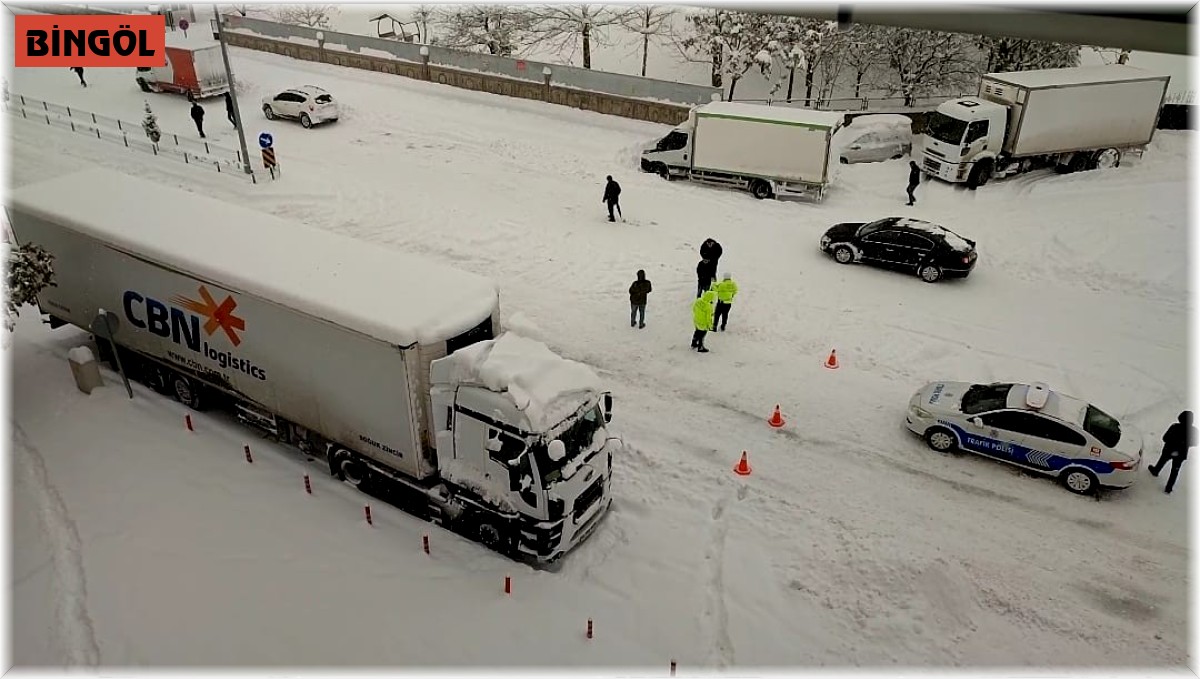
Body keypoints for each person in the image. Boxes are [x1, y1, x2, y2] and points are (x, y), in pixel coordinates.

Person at [1149, 410, 1196, 494]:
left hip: (1169, 450)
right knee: (1175, 470)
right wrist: (1184, 443)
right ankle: (1169, 487)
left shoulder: (1174, 427)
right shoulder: (1193, 431)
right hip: (1181, 453)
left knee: (1162, 461)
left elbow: (1164, 438)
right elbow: (1195, 443)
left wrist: (1172, 441)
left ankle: (1156, 470)